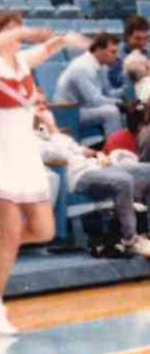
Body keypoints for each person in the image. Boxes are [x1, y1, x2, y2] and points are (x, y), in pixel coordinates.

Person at [0, 16, 88, 336]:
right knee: (14, 230)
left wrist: (64, 40)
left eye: (19, 29)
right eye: (9, 30)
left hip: (26, 155)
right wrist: (20, 31)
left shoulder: (20, 61)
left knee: (44, 230)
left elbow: (43, 50)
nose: (18, 36)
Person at [35, 106, 150, 257]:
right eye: (39, 106)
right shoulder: (32, 139)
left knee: (146, 172)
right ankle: (130, 240)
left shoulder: (57, 136)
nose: (45, 109)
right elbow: (58, 155)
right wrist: (53, 128)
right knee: (124, 181)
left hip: (96, 167)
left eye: (44, 104)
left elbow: (81, 150)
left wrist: (100, 155)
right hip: (77, 176)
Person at [54, 32, 125, 139]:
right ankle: (114, 151)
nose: (117, 56)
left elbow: (108, 92)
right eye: (113, 52)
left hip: (85, 107)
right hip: (69, 112)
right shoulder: (82, 67)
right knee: (112, 112)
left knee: (125, 111)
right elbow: (94, 101)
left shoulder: (102, 65)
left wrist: (127, 90)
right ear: (99, 50)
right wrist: (120, 104)